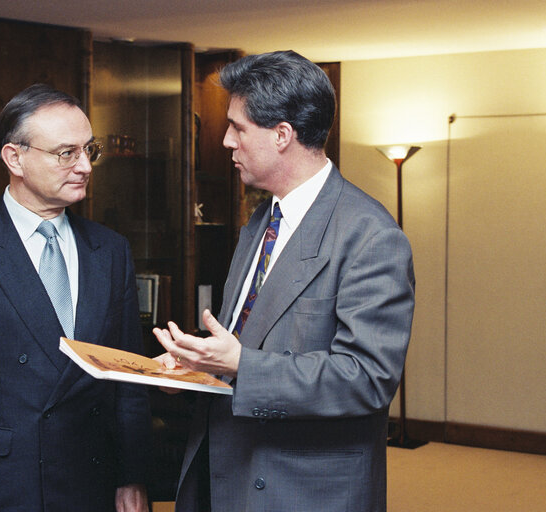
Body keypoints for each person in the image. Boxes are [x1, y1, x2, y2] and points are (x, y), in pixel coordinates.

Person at [153, 51, 415, 512]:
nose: (225, 142)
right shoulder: (260, 221)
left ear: (282, 135)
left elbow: (367, 379)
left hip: (302, 489)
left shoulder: (370, 234)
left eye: (237, 127)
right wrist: (198, 362)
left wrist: (239, 365)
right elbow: (251, 336)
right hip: (227, 471)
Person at [0, 84, 151, 512]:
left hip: (90, 481)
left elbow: (127, 381)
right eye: (66, 153)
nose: (85, 166)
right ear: (14, 157)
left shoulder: (110, 250)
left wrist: (131, 478)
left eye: (90, 150)